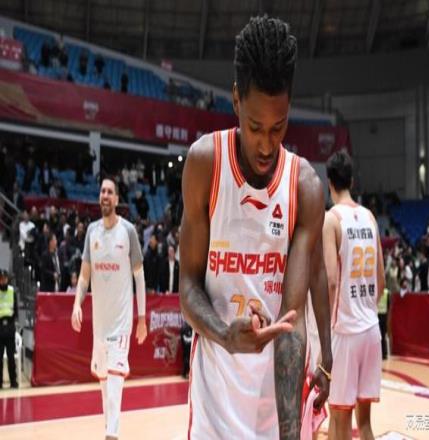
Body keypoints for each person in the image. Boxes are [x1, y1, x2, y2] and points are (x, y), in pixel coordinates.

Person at [180, 15, 331, 439]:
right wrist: (225, 335)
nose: (266, 144)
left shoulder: (304, 186)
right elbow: (187, 286)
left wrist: (289, 432)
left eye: (278, 127)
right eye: (255, 127)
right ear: (236, 100)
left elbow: (291, 321)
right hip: (213, 398)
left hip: (273, 400)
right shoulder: (204, 163)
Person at [71, 178, 147, 440]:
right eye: (102, 191)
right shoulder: (92, 232)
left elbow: (139, 277)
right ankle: (109, 429)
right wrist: (76, 303)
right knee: (105, 386)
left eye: (110, 192)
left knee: (115, 383)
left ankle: (111, 435)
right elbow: (84, 277)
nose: (105, 195)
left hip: (121, 324)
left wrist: (141, 318)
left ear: (116, 199)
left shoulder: (128, 231)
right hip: (100, 328)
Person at [322, 151, 385, 440]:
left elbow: (331, 281)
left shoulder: (331, 219)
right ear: (352, 181)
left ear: (329, 183)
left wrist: (326, 332)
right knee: (366, 424)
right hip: (371, 330)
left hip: (345, 333)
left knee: (340, 421)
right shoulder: (370, 218)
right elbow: (380, 281)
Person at [0, 269, 18, 388]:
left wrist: (10, 321)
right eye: (1, 278)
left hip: (10, 327)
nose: (3, 280)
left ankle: (13, 382)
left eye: (5, 278)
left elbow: (15, 311)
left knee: (11, 357)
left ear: (7, 279)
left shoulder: (12, 291)